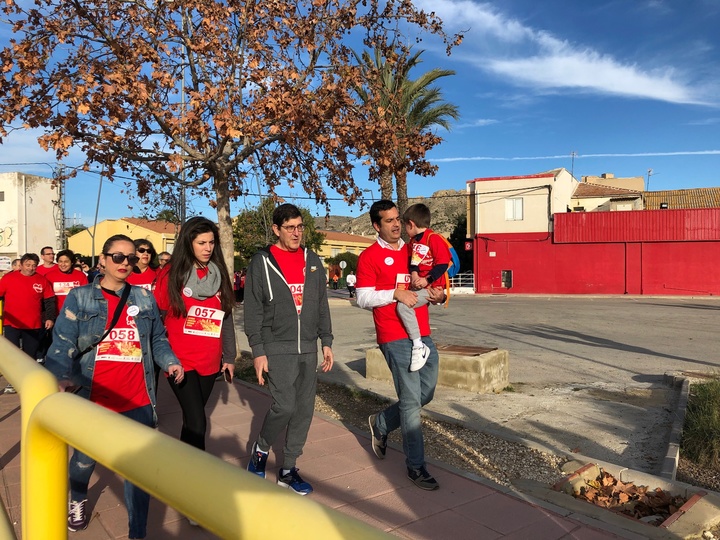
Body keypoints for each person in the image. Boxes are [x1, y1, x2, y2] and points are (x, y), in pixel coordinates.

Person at [45, 234, 184, 537]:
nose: (125, 263)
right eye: (118, 257)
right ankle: (78, 497)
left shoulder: (144, 298)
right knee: (83, 461)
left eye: (131, 258)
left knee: (140, 471)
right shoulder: (80, 297)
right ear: (103, 260)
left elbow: (157, 339)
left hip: (138, 400)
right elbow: (63, 342)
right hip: (93, 398)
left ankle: (138, 532)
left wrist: (170, 360)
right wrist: (60, 375)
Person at [244, 203, 333, 496]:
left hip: (307, 348)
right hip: (276, 346)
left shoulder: (313, 261)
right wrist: (258, 350)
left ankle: (288, 468)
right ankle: (260, 449)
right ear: (276, 230)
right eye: (290, 228)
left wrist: (327, 342)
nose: (296, 233)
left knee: (304, 410)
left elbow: (322, 305)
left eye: (300, 227)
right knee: (285, 406)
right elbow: (253, 310)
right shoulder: (262, 262)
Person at [356, 200, 444, 491]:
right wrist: (394, 293)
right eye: (389, 221)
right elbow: (362, 297)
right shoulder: (369, 257)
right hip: (393, 336)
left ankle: (381, 424)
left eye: (397, 219)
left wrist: (439, 294)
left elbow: (435, 278)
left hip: (423, 333)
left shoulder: (414, 250)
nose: (396, 225)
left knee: (425, 393)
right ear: (376, 226)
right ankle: (416, 467)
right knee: (410, 401)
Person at [154, 216, 236, 453]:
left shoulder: (219, 274)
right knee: (198, 421)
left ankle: (182, 467)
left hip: (210, 361)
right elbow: (157, 319)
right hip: (180, 361)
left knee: (192, 420)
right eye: (201, 243)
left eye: (211, 242)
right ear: (188, 242)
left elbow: (226, 318)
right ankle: (197, 478)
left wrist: (229, 357)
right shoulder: (170, 275)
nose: (208, 248)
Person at [398, 203, 452, 371]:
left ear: (411, 224)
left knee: (404, 306)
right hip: (421, 284)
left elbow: (443, 263)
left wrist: (427, 279)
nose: (405, 230)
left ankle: (418, 345)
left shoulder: (433, 238)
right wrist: (415, 275)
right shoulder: (414, 242)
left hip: (431, 287)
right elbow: (414, 263)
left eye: (405, 226)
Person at [0, 253, 56, 393]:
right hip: (11, 323)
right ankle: (12, 382)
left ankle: (26, 382)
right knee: (12, 356)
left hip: (33, 324)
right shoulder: (8, 278)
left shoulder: (41, 280)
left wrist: (50, 318)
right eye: (28, 265)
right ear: (21, 265)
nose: (31, 268)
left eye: (34, 266)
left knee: (29, 356)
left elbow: (49, 301)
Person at [45, 249, 88, 315]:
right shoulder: (49, 276)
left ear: (72, 262)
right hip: (56, 315)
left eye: (66, 262)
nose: (63, 264)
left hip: (75, 315)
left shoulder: (80, 276)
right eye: (60, 261)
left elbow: (85, 296)